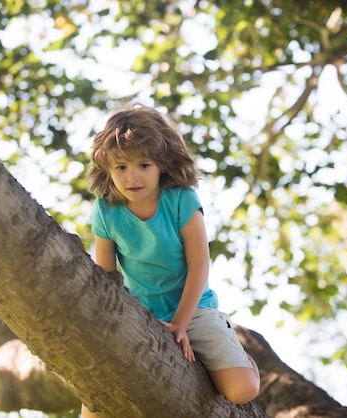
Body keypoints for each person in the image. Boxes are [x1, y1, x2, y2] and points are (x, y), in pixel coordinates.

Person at [82, 104, 260, 417]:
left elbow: (199, 265)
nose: (132, 176)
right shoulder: (106, 210)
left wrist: (179, 323)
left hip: (194, 308)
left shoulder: (180, 198)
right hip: (142, 311)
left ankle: (242, 358)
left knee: (242, 390)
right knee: (95, 403)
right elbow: (106, 277)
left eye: (143, 164)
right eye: (120, 167)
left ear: (161, 165)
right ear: (106, 169)